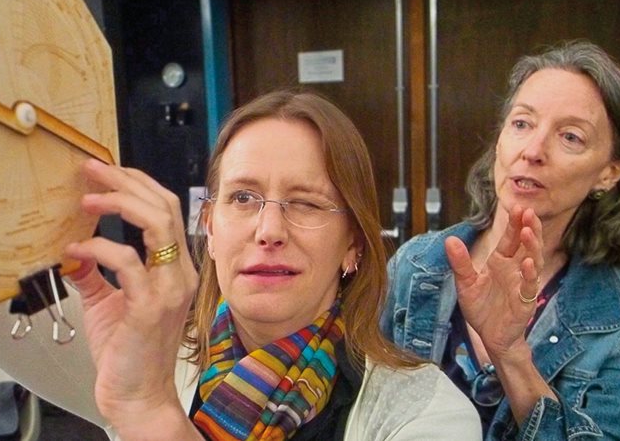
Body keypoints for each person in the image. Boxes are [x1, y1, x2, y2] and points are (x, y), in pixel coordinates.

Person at [64, 90, 481, 439]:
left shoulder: (428, 414)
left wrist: (152, 415)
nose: (269, 231)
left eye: (305, 202)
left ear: (352, 245)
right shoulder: (148, 360)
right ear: (209, 229)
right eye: (243, 197)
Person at [381, 40, 620, 440]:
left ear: (609, 173)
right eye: (522, 123)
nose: (533, 150)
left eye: (570, 137)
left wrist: (511, 355)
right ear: (500, 140)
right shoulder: (415, 265)